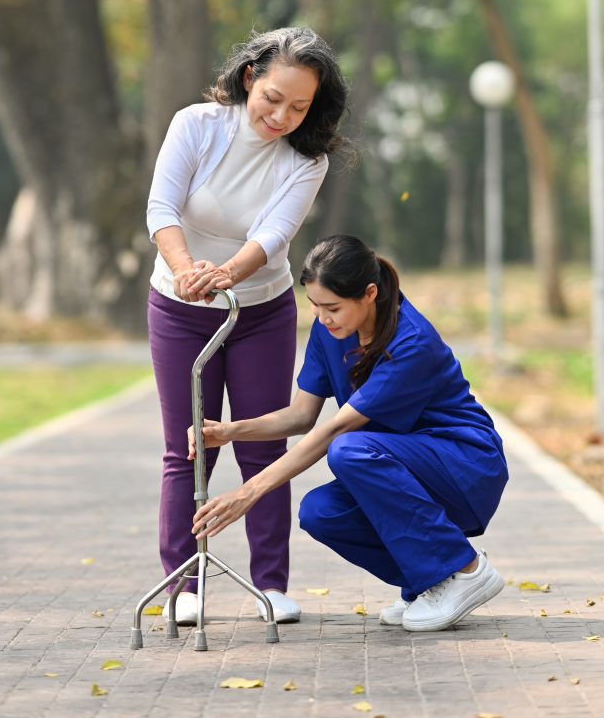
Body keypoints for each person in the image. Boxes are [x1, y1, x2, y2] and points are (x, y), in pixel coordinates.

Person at [189, 234, 509, 632]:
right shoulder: (332, 333)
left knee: (348, 450)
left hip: (465, 466)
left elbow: (334, 432)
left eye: (333, 308)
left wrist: (249, 491)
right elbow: (301, 416)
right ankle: (432, 582)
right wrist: (232, 430)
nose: (323, 318)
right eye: (315, 307)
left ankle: (466, 569)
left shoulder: (411, 342)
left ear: (369, 294)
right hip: (404, 467)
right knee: (322, 512)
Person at [146, 27, 350, 626]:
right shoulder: (196, 125)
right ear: (248, 78)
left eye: (299, 107)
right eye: (273, 98)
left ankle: (270, 584)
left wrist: (227, 273)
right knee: (187, 447)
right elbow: (162, 206)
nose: (282, 115)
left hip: (261, 308)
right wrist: (187, 271)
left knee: (260, 444)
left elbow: (275, 234)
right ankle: (184, 586)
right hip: (179, 305)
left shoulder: (306, 158)